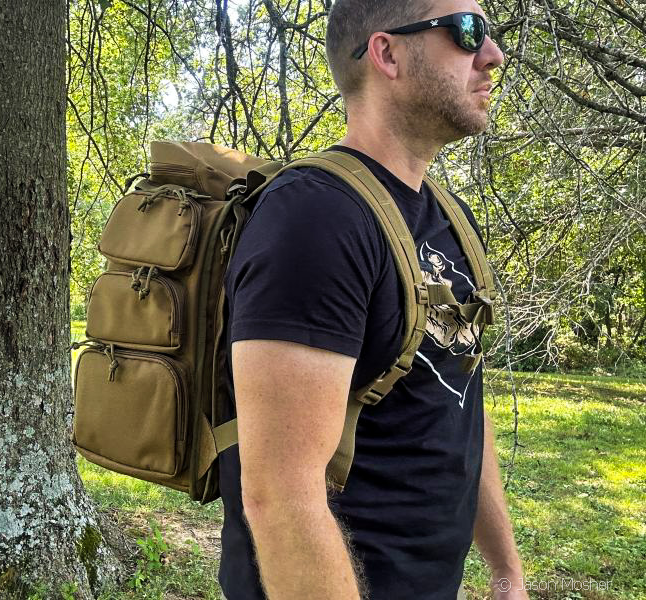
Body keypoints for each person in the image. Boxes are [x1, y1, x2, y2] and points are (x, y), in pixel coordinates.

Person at [217, 0, 529, 599]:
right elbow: (280, 495)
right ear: (386, 53)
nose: (492, 54)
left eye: (489, 33)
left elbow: (459, 399)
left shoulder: (448, 217)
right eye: (467, 32)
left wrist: (506, 569)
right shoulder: (315, 218)